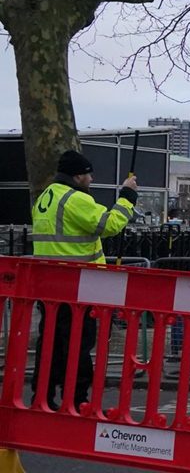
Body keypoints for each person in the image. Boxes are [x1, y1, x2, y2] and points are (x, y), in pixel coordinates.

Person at [30, 150, 137, 411]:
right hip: (78, 287)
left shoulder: (46, 197)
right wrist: (127, 197)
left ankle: (42, 396)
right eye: (88, 174)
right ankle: (77, 398)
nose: (91, 178)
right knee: (77, 346)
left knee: (50, 345)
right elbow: (110, 225)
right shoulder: (75, 198)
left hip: (48, 287)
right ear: (78, 175)